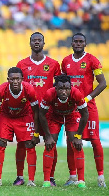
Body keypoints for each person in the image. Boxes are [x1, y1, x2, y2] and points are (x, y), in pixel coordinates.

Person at [61, 33, 107, 187]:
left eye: (81, 41)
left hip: (89, 106)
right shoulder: (66, 61)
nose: (78, 44)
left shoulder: (92, 60)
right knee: (71, 141)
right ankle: (73, 177)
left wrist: (87, 99)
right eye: (76, 41)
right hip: (72, 108)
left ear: (85, 44)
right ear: (72, 43)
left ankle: (101, 178)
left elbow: (102, 84)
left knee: (95, 140)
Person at [16, 32, 61, 186]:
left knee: (51, 144)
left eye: (39, 40)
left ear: (44, 43)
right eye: (34, 40)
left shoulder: (54, 64)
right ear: (30, 43)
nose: (36, 42)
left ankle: (51, 177)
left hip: (49, 112)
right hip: (28, 112)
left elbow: (59, 87)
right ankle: (22, 177)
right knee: (25, 143)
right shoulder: (21, 64)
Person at [39, 74, 89, 188]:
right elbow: (41, 114)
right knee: (50, 145)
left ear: (70, 88)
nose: (64, 92)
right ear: (55, 88)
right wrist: (48, 136)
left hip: (71, 115)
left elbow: (85, 114)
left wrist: (78, 136)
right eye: (61, 88)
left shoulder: (76, 93)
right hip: (54, 116)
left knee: (76, 144)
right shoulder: (49, 94)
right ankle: (47, 181)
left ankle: (81, 180)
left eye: (67, 88)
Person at [0, 67, 39, 187]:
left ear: (22, 79)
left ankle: (30, 180)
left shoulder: (29, 89)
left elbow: (36, 112)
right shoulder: (1, 89)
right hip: (6, 117)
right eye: (12, 79)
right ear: (8, 79)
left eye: (18, 79)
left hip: (24, 116)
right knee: (1, 144)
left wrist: (36, 133)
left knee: (29, 144)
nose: (15, 82)